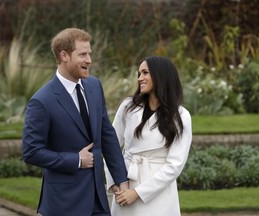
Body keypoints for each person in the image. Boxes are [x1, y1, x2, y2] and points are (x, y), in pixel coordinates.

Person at [22, 27, 128, 216]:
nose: (89, 60)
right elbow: (31, 152)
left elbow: (107, 134)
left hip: (98, 201)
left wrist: (121, 178)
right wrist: (76, 160)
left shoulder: (95, 86)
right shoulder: (42, 101)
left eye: (90, 54)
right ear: (64, 56)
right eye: (83, 54)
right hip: (64, 203)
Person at [105, 56, 192, 216]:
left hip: (157, 194)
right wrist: (115, 183)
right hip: (125, 185)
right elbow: (111, 146)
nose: (140, 78)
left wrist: (138, 193)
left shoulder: (180, 116)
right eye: (139, 74)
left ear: (160, 76)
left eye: (145, 73)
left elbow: (174, 165)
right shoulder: (128, 107)